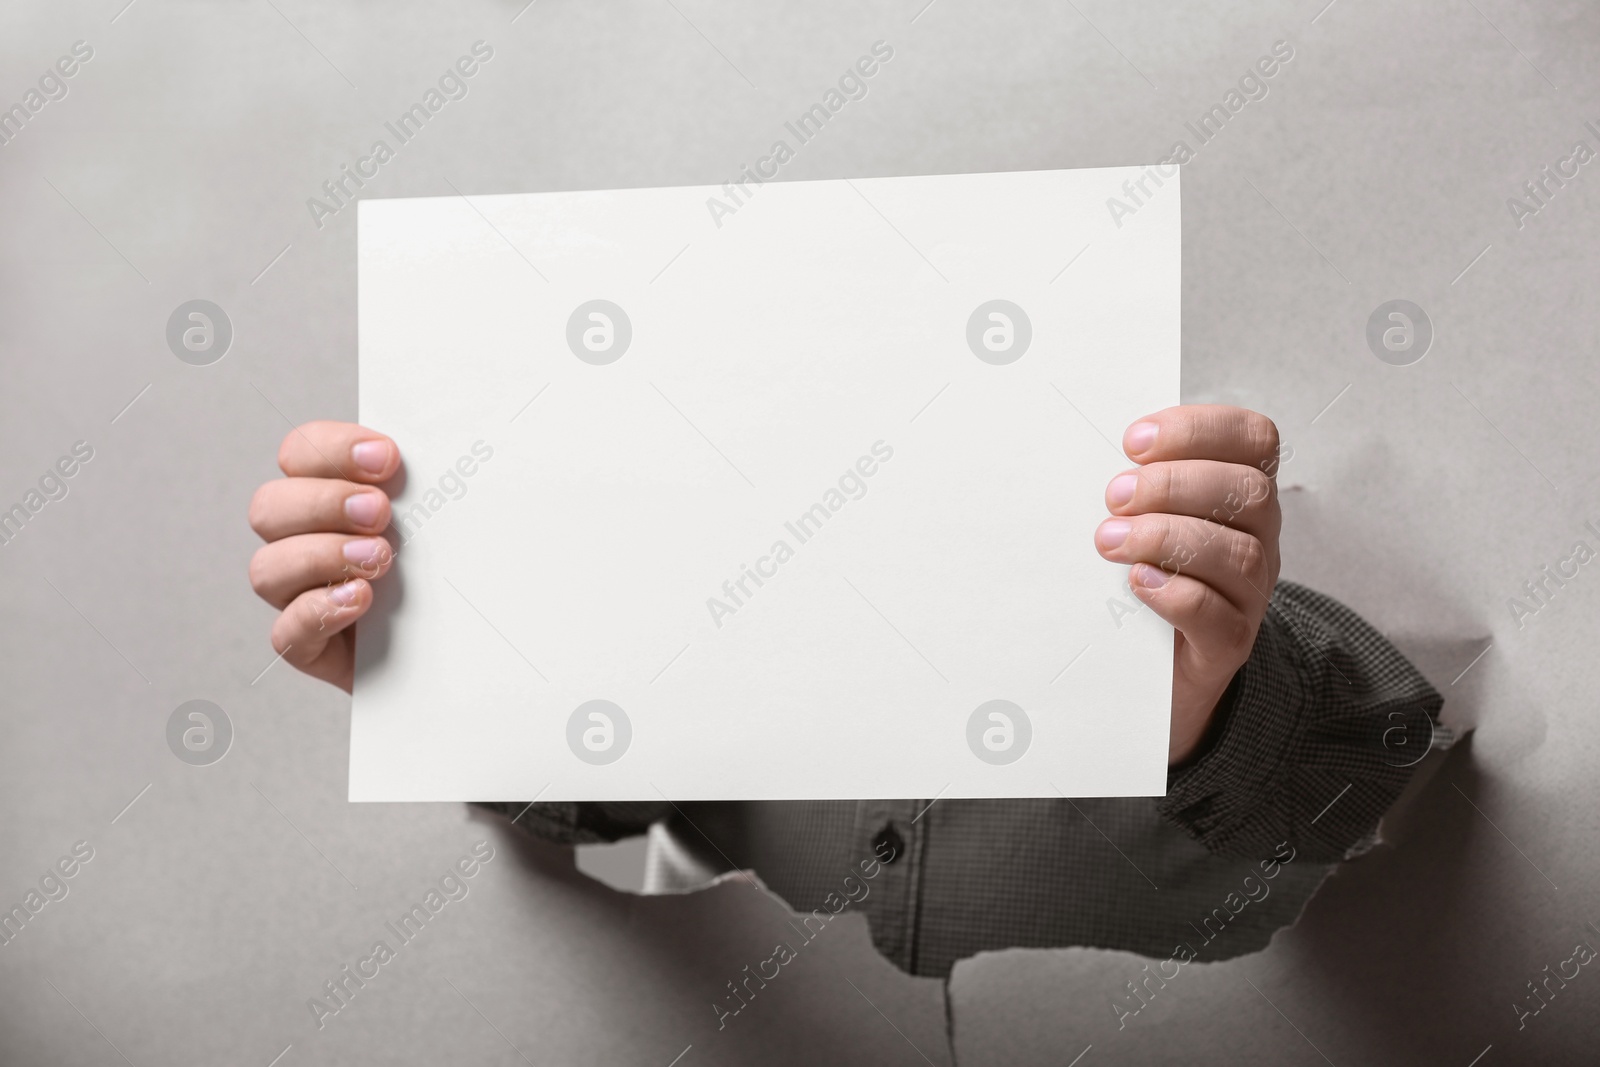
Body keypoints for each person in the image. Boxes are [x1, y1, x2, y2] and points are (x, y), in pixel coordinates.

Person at [247, 405, 1441, 978]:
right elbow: (604, 826)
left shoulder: (1188, 610)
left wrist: (1202, 701)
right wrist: (467, 683)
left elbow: (1382, 758)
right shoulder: (710, 584)